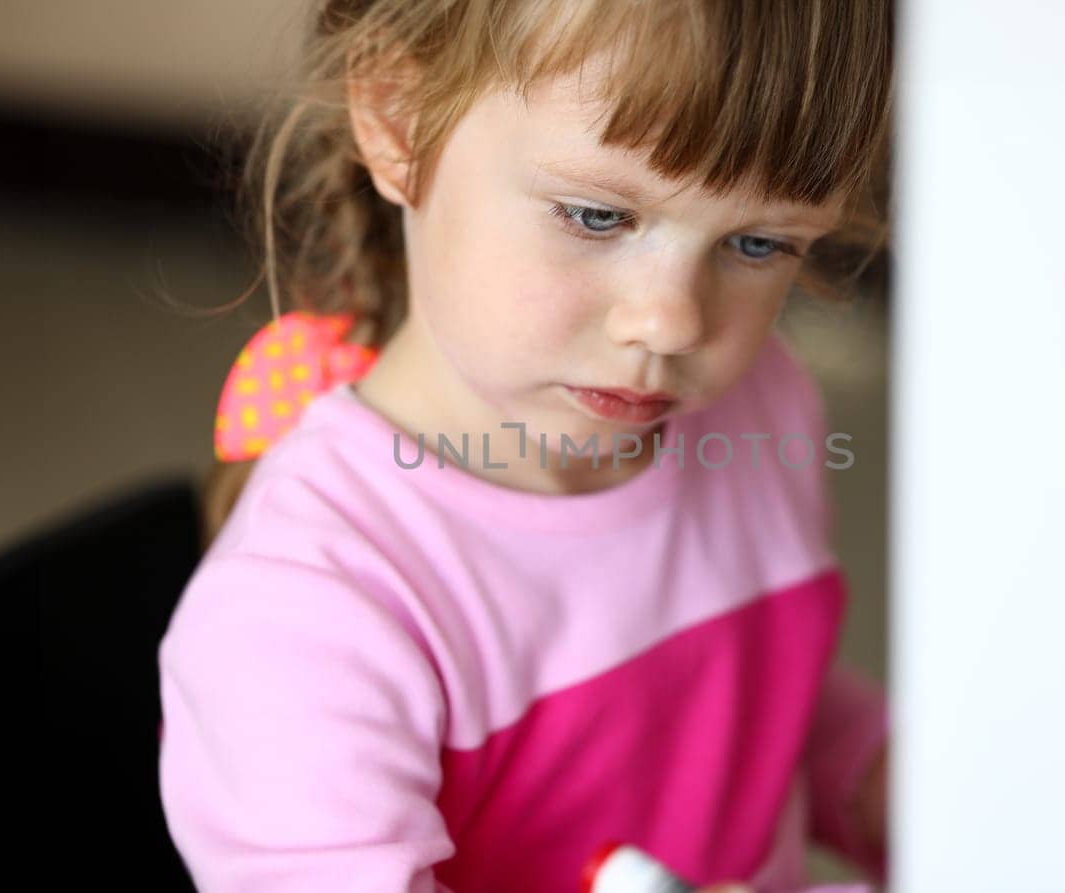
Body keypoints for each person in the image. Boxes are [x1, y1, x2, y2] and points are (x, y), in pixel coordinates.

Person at [157, 1, 894, 890]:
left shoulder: (760, 411)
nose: (671, 321)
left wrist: (887, 780)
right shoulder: (307, 615)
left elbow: (755, 716)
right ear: (397, 118)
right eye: (595, 217)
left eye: (757, 241)